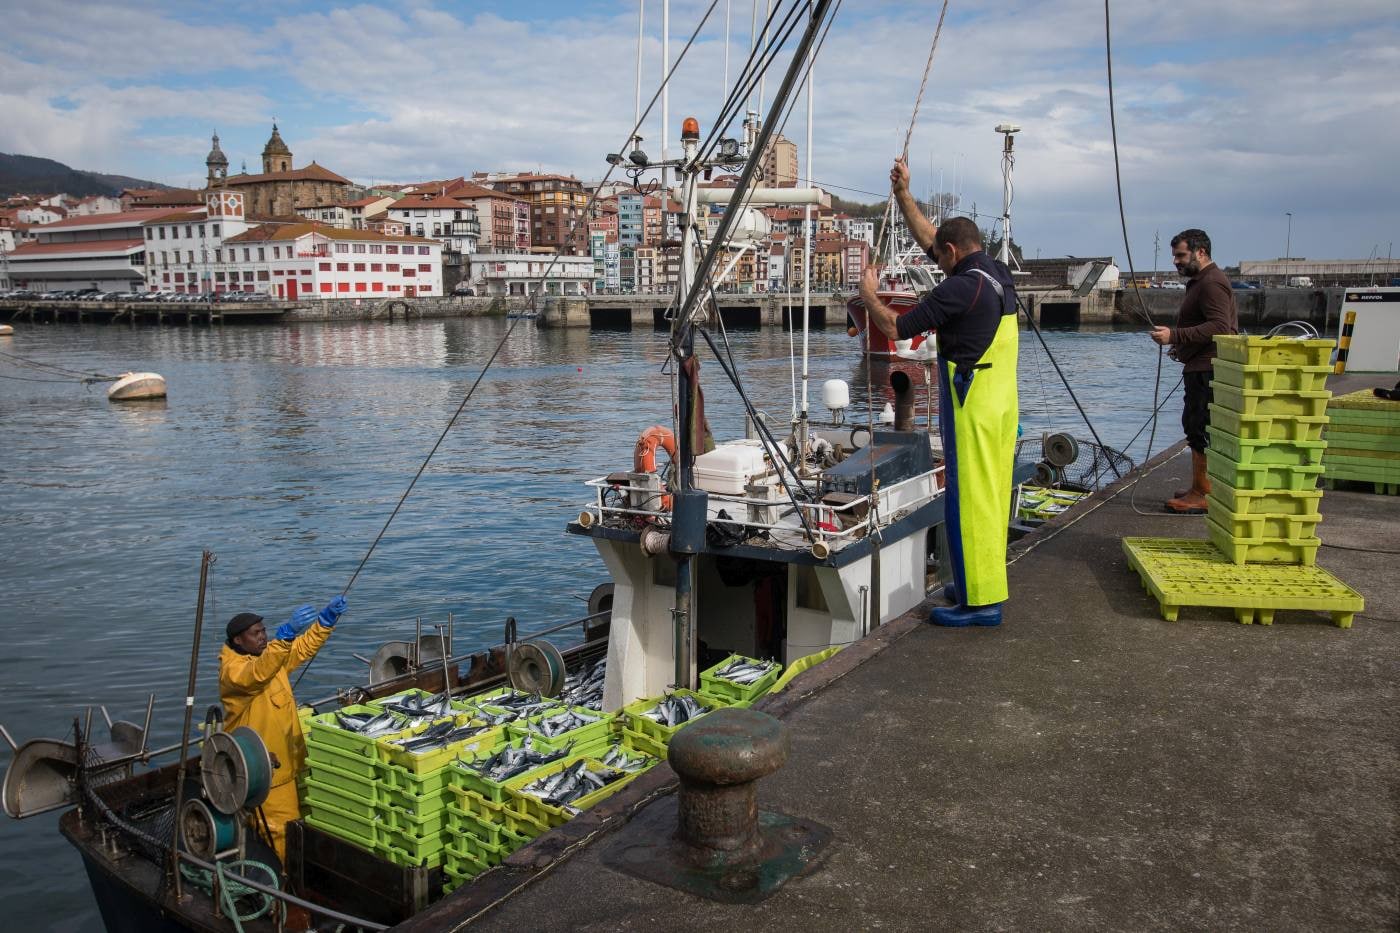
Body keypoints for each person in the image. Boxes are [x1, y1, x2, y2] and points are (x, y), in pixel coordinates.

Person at [859, 156, 1019, 627]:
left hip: (972, 404)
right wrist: (905, 195)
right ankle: (974, 580)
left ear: (953, 252)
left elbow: (895, 326)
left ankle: (980, 604)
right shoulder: (992, 271)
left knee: (967, 499)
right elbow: (931, 236)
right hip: (998, 401)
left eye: (939, 254)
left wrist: (869, 293)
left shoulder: (959, 290)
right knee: (988, 496)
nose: (935, 258)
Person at [220, 595, 347, 860]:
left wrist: (325, 622)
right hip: (264, 771)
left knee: (290, 824)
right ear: (238, 641)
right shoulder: (234, 672)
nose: (262, 637)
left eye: (264, 631)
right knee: (281, 831)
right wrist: (284, 637)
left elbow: (299, 650)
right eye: (255, 634)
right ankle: (281, 885)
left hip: (287, 762)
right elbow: (257, 675)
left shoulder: (268, 657)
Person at [1150, 229, 1239, 514]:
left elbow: (1220, 327)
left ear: (1200, 252)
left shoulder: (1211, 282)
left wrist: (1175, 336)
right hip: (1199, 365)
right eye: (1175, 256)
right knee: (1194, 424)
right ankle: (1198, 486)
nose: (1176, 261)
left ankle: (1203, 492)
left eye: (1181, 255)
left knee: (1200, 427)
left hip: (1208, 368)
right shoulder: (1201, 281)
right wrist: (1181, 347)